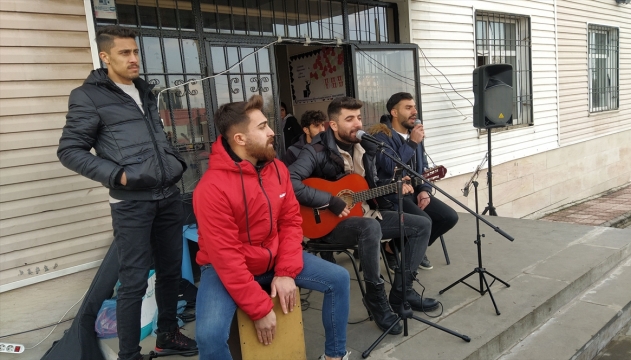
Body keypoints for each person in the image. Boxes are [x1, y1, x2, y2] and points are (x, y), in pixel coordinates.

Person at [57, 26, 196, 360]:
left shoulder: (144, 91)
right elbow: (70, 150)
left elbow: (154, 138)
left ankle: (167, 336)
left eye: (135, 52)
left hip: (167, 196)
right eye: (124, 53)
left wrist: (174, 160)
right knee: (133, 282)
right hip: (131, 204)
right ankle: (129, 355)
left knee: (170, 274)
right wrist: (117, 176)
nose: (134, 59)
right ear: (105, 57)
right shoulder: (88, 96)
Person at [192, 95, 351, 360]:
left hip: (274, 257)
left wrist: (286, 270)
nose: (272, 131)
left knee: (339, 279)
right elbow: (226, 257)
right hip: (224, 268)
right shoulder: (211, 188)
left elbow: (290, 222)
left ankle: (335, 356)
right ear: (240, 139)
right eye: (263, 126)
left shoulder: (277, 169)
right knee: (208, 336)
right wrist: (259, 308)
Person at [288, 96, 440, 336]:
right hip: (328, 225)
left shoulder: (367, 146)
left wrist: (395, 185)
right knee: (370, 228)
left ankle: (402, 292)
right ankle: (375, 297)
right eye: (349, 119)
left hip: (367, 214)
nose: (357, 124)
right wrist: (330, 200)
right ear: (333, 125)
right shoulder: (315, 150)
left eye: (358, 117)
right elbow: (289, 183)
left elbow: (373, 182)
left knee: (421, 224)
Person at [369, 92, 459, 271]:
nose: (414, 112)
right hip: (392, 193)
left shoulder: (415, 135)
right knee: (424, 221)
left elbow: (423, 166)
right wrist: (411, 144)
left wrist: (425, 190)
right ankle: (399, 249)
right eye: (408, 108)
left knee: (449, 217)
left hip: (415, 191)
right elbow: (388, 166)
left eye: (414, 107)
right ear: (394, 112)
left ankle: (405, 247)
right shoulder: (382, 136)